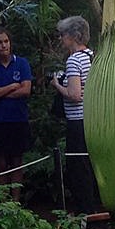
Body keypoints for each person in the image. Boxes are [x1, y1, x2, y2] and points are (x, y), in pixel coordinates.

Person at [50, 15, 100, 214]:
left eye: (63, 35)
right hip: (94, 119)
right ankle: (95, 206)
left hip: (77, 121)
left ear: (73, 36)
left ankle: (84, 211)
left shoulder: (73, 60)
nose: (61, 39)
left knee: (78, 166)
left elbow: (74, 95)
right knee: (91, 164)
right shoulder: (93, 56)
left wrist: (56, 84)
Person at [0, 27, 32, 202]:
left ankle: (16, 202)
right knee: (1, 163)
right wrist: (11, 87)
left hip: (18, 119)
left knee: (17, 162)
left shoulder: (22, 63)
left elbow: (26, 90)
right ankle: (2, 202)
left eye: (6, 41)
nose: (3, 45)